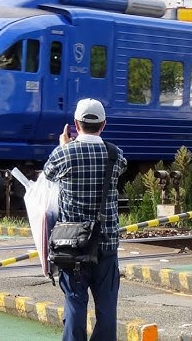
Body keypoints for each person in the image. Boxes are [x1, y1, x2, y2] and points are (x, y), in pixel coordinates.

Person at [43, 98, 128, 341]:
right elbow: (120, 169)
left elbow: (49, 174)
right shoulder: (115, 154)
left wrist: (64, 144)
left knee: (74, 303)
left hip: (72, 245)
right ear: (103, 125)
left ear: (75, 124)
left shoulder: (63, 153)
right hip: (106, 243)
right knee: (107, 307)